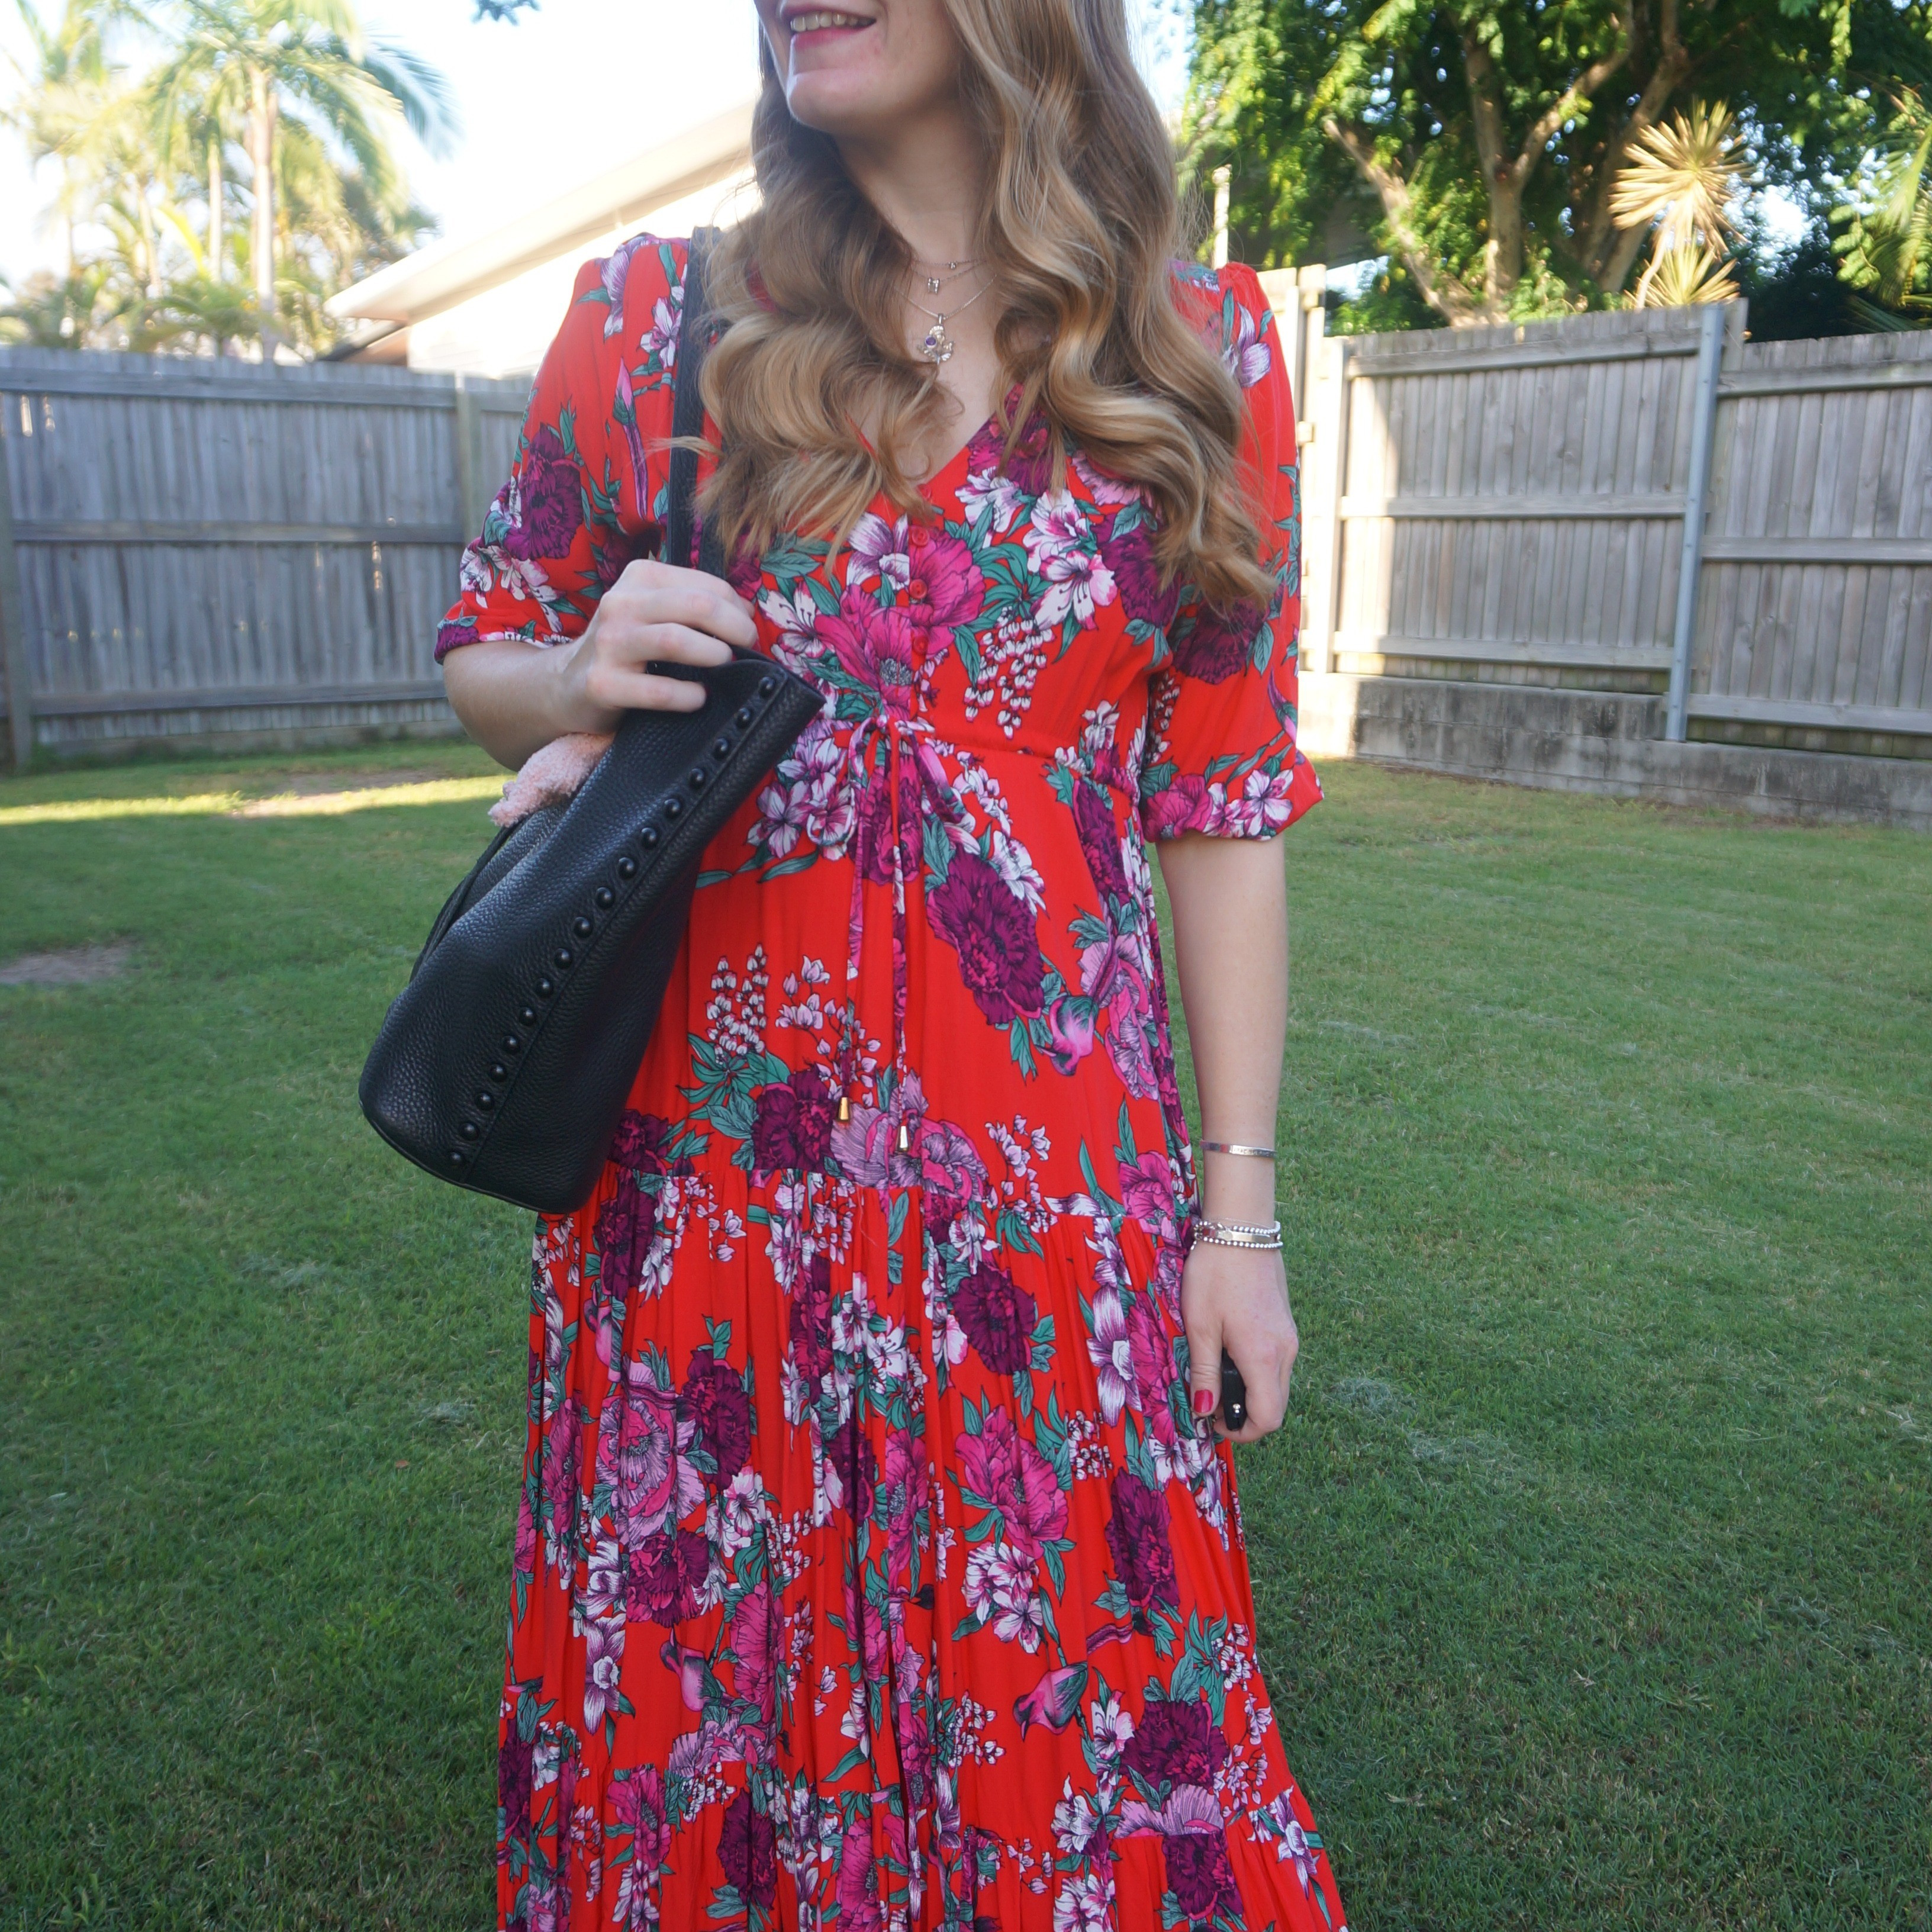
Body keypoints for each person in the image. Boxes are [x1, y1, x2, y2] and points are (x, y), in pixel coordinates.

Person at [436, 1, 1345, 1925]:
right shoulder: (661, 322)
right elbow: (489, 649)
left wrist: (1237, 1221)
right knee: (715, 1710)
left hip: (1057, 1213)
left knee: (1085, 1717)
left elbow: (1222, 803)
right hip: (712, 1202)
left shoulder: (1200, 343)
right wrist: (576, 674)